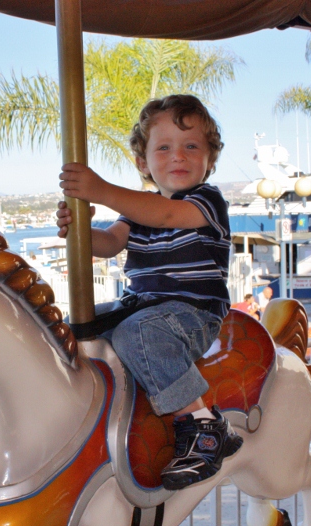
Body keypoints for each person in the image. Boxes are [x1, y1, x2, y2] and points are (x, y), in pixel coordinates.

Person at [55, 94, 242, 490]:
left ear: (210, 160)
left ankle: (206, 427)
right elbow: (106, 244)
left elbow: (167, 214)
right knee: (71, 330)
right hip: (141, 308)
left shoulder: (206, 202)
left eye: (192, 146)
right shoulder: (136, 213)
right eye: (164, 148)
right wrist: (79, 228)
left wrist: (102, 190)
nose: (178, 156)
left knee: (134, 334)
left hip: (192, 315)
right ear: (144, 163)